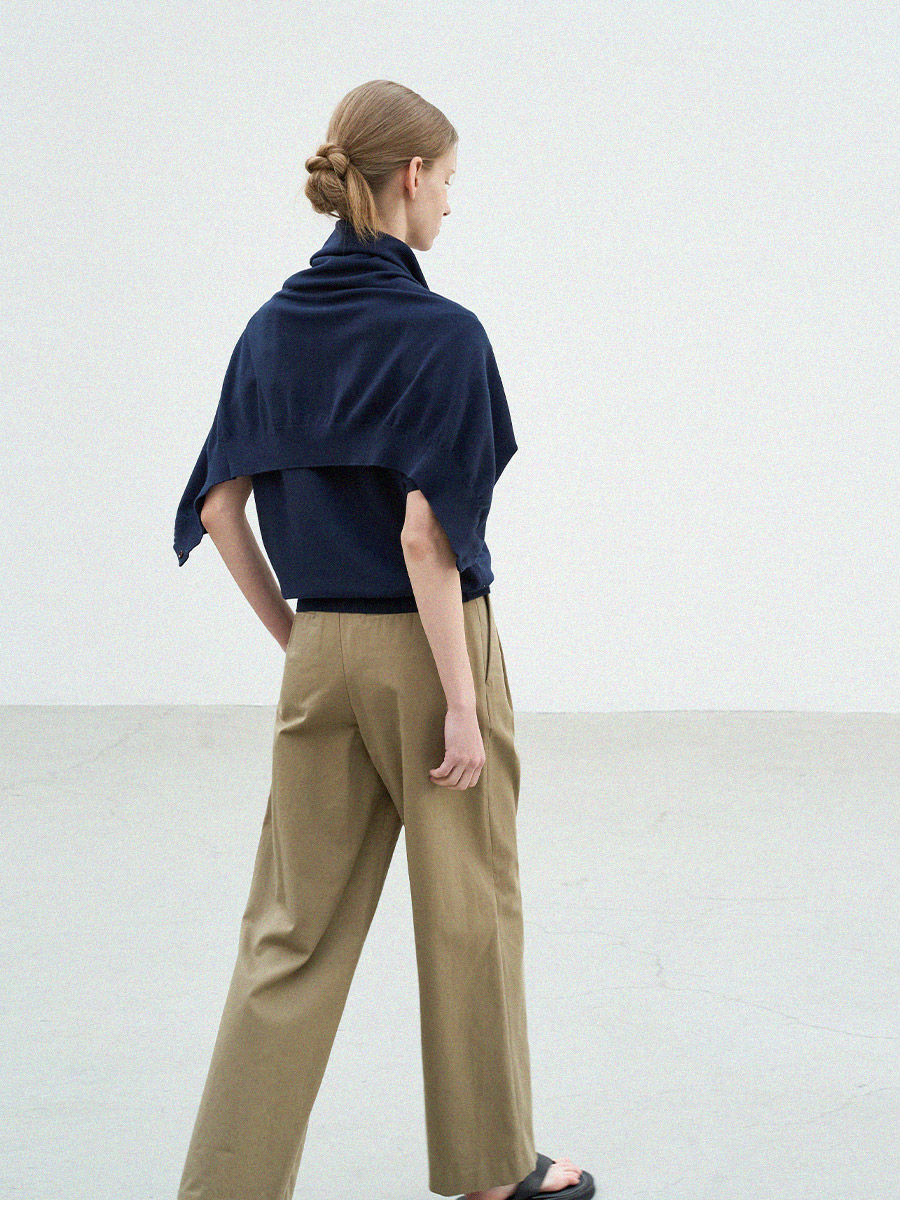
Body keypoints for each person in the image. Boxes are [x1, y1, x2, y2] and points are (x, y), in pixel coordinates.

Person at [173, 79, 594, 1201]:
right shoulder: (444, 337)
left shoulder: (270, 329)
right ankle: (493, 1169)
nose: (451, 202)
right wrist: (458, 702)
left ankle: (224, 1185)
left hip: (321, 650)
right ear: (410, 178)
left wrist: (298, 636)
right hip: (429, 647)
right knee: (468, 911)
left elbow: (219, 505)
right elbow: (425, 537)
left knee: (290, 931)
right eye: (448, 180)